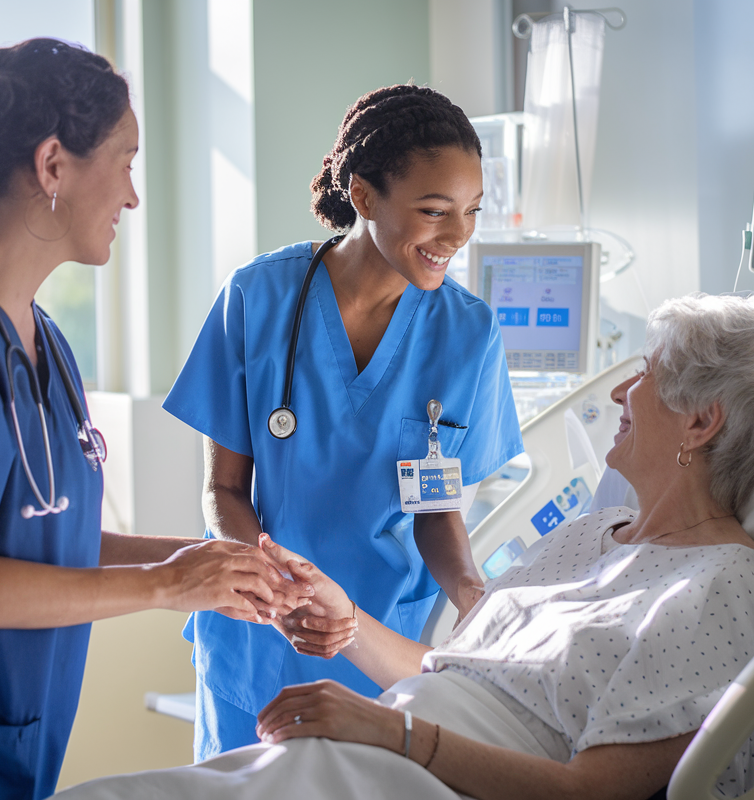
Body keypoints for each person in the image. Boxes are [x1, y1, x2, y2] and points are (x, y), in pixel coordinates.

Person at [55, 294, 754, 800]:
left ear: (702, 424)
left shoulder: (730, 584)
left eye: (648, 380)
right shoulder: (590, 537)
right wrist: (347, 618)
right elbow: (454, 675)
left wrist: (388, 730)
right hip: (389, 746)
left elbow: (592, 793)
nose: (621, 395)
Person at [0, 39, 306, 800]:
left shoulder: (41, 339)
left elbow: (54, 536)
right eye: (127, 160)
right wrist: (165, 587)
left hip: (8, 752)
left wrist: (223, 567)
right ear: (52, 167)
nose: (133, 197)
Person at [162, 84, 524, 759]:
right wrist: (279, 592)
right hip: (258, 631)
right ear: (363, 197)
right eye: (434, 209)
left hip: (377, 650)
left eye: (472, 211)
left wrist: (474, 590)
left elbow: (435, 511)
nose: (458, 234)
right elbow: (225, 491)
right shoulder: (259, 297)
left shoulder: (466, 332)